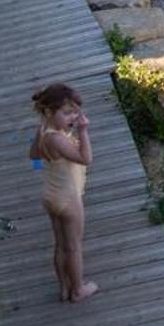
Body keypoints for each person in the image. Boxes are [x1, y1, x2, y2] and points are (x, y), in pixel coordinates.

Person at [29, 83, 98, 303]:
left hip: (51, 196)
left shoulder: (44, 130)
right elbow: (85, 158)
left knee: (60, 244)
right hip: (69, 199)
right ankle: (78, 289)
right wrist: (83, 132)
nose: (72, 118)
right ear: (50, 112)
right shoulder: (58, 139)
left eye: (76, 113)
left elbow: (34, 156)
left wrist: (46, 166)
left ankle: (64, 288)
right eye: (67, 113)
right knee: (74, 246)